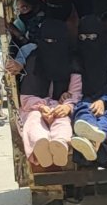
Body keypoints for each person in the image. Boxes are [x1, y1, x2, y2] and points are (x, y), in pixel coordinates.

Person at [19, 19, 81, 168]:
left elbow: (76, 92)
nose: (50, 44)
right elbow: (26, 98)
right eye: (46, 40)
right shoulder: (34, 60)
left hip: (61, 107)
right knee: (34, 120)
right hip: (36, 108)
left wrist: (67, 106)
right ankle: (40, 145)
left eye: (55, 40)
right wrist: (42, 107)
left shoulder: (73, 61)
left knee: (63, 120)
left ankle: (59, 143)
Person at [70, 15, 107, 163]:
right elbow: (74, 85)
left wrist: (104, 101)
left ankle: (95, 139)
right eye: (82, 37)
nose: (87, 41)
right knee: (82, 114)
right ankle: (93, 139)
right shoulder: (77, 58)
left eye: (92, 36)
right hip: (84, 100)